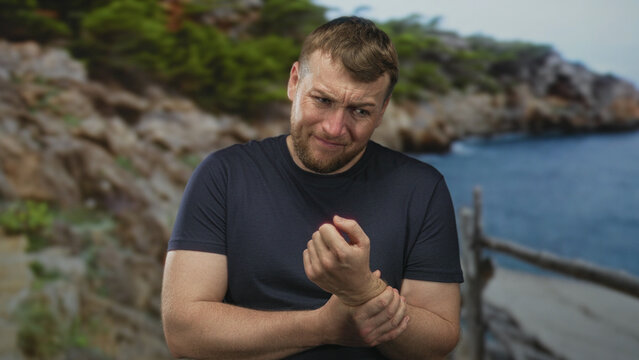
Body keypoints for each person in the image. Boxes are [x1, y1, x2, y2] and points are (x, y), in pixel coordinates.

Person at [161, 16, 463, 360]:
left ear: (382, 111)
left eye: (360, 111)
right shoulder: (223, 175)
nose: (335, 128)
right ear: (294, 82)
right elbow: (183, 333)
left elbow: (439, 339)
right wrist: (323, 326)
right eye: (322, 100)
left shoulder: (422, 189)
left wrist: (364, 290)